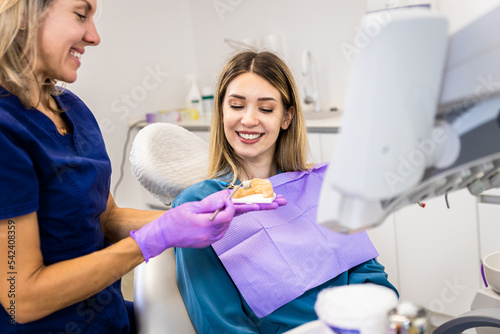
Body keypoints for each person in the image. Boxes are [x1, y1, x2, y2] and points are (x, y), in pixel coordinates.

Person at [0, 1, 283, 333]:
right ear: (23, 15)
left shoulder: (72, 109)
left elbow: (107, 218)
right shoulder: (7, 131)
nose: (94, 36)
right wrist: (152, 240)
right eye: (81, 15)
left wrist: (198, 216)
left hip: (110, 316)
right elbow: (22, 298)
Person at [172, 50, 398, 333]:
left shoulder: (319, 185)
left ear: (286, 117)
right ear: (221, 111)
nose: (249, 120)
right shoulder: (201, 203)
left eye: (266, 109)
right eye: (236, 106)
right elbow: (219, 321)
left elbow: (369, 275)